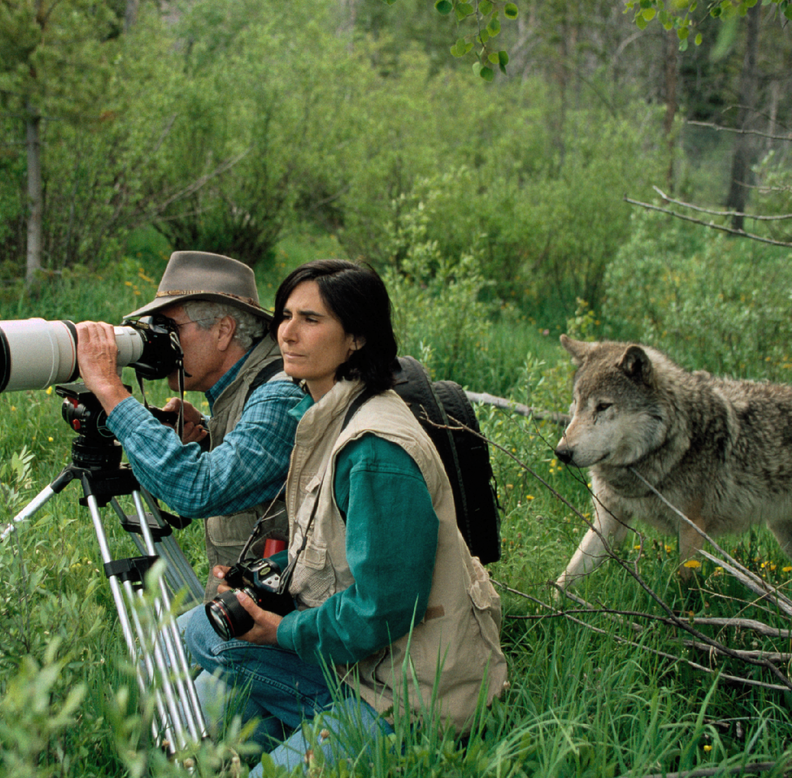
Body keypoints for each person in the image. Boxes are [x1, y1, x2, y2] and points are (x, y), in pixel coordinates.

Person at [184, 259, 508, 774]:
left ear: (356, 337)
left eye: (311, 320)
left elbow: (387, 607)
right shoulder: (330, 414)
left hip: (406, 692)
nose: (287, 333)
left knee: (201, 637)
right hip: (358, 662)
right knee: (198, 687)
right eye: (285, 315)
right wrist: (268, 584)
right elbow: (335, 548)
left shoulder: (375, 449)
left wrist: (280, 633)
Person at [75, 251, 303, 598]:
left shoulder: (280, 393)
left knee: (184, 636)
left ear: (224, 331)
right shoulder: (246, 384)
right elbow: (259, 453)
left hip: (286, 621)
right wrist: (210, 431)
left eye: (170, 329)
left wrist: (110, 390)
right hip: (251, 603)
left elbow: (200, 488)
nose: (159, 343)